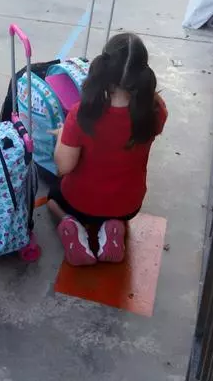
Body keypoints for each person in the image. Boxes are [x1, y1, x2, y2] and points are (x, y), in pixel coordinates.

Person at [48, 33, 166, 266]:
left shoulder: (82, 114)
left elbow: (64, 166)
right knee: (115, 208)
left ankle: (71, 225)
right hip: (128, 205)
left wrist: (62, 135)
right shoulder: (156, 111)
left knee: (52, 198)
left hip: (80, 203)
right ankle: (114, 226)